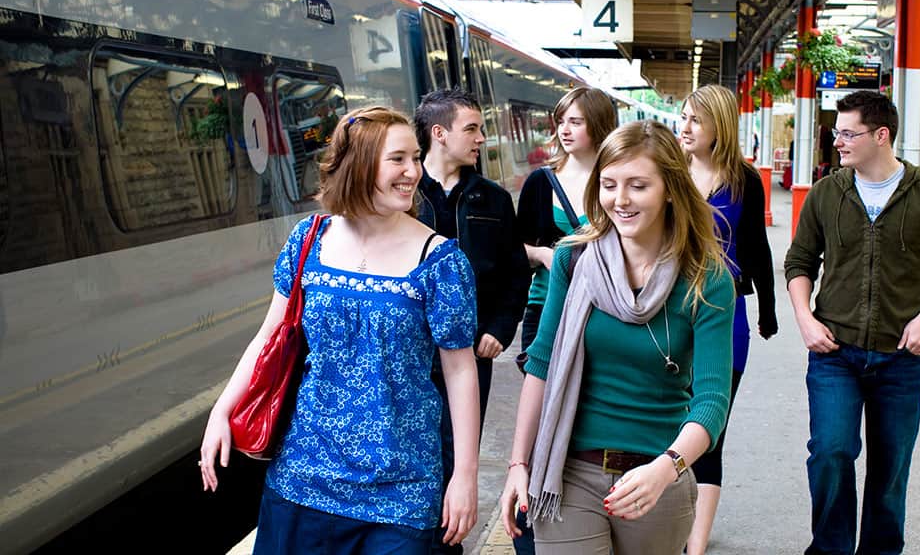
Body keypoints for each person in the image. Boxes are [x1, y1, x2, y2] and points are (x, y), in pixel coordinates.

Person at [198, 106, 481, 554]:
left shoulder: (441, 261)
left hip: (402, 487)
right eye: (398, 159)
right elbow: (270, 337)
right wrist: (221, 410)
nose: (413, 172)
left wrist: (465, 475)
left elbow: (461, 372)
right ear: (359, 164)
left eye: (416, 157)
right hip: (304, 476)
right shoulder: (310, 239)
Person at [499, 119, 735, 555]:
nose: (620, 200)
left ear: (670, 189)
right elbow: (542, 364)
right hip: (567, 475)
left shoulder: (706, 279)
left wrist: (667, 468)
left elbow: (712, 400)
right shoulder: (574, 259)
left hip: (656, 479)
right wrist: (518, 464)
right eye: (608, 184)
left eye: (638, 185)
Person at [784, 90, 920, 555]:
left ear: (881, 135)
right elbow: (799, 262)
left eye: (848, 134)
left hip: (901, 359)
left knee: (890, 469)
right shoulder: (829, 192)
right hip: (836, 354)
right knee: (830, 452)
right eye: (838, 133)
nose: (839, 143)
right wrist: (806, 320)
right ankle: (830, 549)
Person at [413, 87, 531, 554]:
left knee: (455, 453)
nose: (482, 138)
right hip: (412, 354)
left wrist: (500, 331)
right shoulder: (406, 192)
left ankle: (447, 544)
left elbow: (515, 275)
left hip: (469, 355)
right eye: (473, 129)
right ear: (439, 134)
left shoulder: (493, 200)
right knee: (414, 451)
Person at [512, 86, 617, 555]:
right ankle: (534, 510)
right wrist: (554, 256)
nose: (566, 130)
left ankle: (583, 502)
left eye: (576, 120)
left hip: (605, 312)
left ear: (598, 123)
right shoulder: (541, 182)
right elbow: (518, 246)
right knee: (546, 407)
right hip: (546, 307)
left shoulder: (617, 178)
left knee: (589, 409)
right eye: (562, 121)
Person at [680, 84, 778, 555]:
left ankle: (695, 544)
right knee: (669, 423)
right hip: (669, 313)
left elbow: (756, 245)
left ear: (719, 125)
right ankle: (668, 524)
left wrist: (768, 309)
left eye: (695, 119)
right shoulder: (667, 172)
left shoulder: (744, 179)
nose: (685, 127)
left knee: (710, 428)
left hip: (726, 313)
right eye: (684, 117)